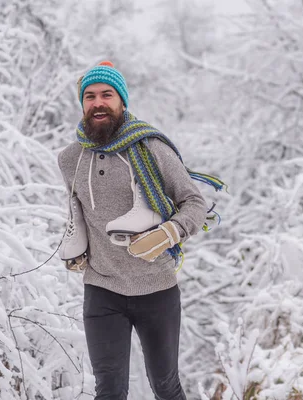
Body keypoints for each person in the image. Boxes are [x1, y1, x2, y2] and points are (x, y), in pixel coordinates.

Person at [58, 61, 216, 399]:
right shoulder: (70, 159)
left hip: (156, 291)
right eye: (90, 96)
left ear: (122, 101)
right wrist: (76, 244)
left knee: (165, 386)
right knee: (109, 390)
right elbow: (78, 209)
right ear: (82, 103)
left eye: (106, 94)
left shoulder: (151, 149)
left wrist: (170, 232)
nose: (97, 102)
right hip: (102, 289)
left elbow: (194, 203)